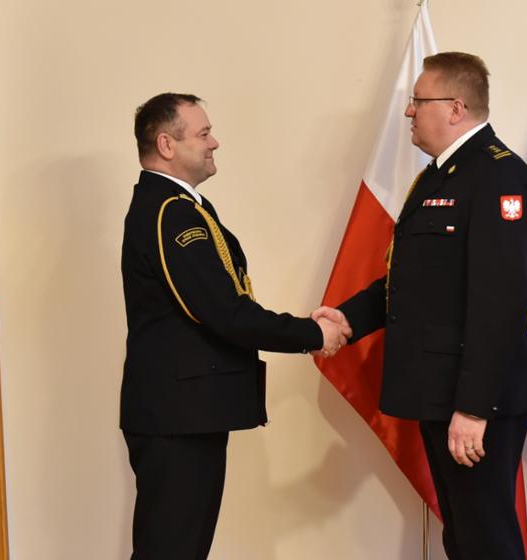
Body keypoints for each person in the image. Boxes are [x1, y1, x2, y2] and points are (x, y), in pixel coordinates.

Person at [319, 52, 527, 559]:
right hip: (442, 391)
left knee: (486, 539)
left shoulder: (499, 178)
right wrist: (348, 318)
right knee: (463, 536)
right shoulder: (439, 177)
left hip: (475, 399)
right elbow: (415, 280)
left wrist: (473, 407)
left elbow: (500, 302)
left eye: (418, 101)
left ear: (456, 108)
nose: (409, 111)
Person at [118, 92, 348, 559]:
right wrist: (312, 334)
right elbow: (225, 313)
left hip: (186, 413)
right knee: (171, 550)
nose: (214, 142)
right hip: (178, 418)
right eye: (203, 133)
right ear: (166, 144)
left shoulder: (180, 206)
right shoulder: (170, 212)